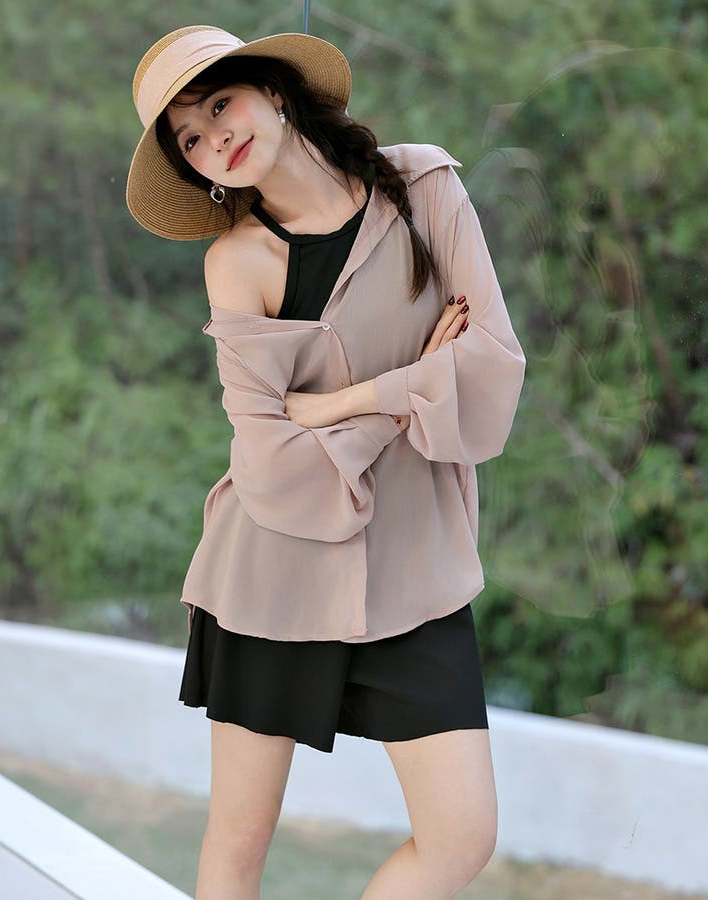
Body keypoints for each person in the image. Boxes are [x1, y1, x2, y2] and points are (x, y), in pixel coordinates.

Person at [125, 24, 526, 900]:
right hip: (272, 571)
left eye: (219, 104)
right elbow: (269, 464)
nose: (213, 138)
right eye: (189, 138)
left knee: (461, 838)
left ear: (274, 91)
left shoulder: (423, 189)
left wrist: (336, 405)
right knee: (239, 845)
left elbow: (492, 367)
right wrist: (404, 394)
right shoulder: (239, 263)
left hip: (414, 567)